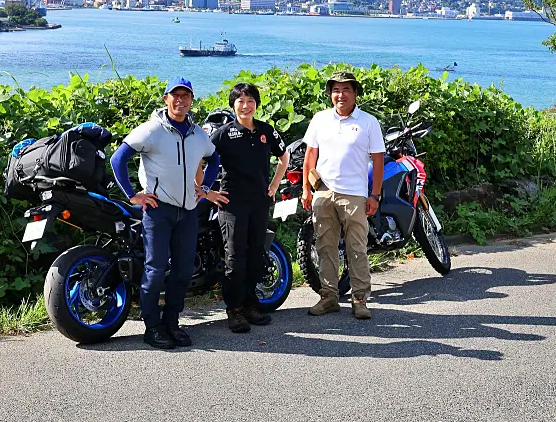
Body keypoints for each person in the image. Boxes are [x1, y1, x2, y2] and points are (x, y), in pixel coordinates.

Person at [110, 77, 227, 349]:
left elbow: (214, 159)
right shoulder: (152, 130)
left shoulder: (198, 134)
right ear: (166, 99)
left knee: (183, 271)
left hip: (188, 211)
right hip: (158, 210)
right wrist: (133, 195)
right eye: (175, 95)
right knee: (155, 269)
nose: (180, 100)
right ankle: (153, 327)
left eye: (185, 96)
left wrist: (205, 188)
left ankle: (172, 322)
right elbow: (118, 159)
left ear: (191, 100)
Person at [301, 70, 385, 320]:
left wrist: (375, 195)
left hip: (355, 195)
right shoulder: (320, 119)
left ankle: (359, 299)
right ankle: (329, 297)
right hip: (324, 191)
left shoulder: (368, 122)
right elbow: (310, 155)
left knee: (356, 247)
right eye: (336, 90)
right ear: (330, 94)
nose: (341, 95)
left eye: (346, 89)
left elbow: (378, 161)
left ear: (355, 93)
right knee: (325, 246)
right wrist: (306, 189)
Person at [209, 83, 289, 333]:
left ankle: (250, 304)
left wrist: (274, 185)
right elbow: (199, 160)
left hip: (259, 202)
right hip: (231, 203)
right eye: (240, 101)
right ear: (233, 105)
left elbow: (284, 156)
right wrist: (206, 192)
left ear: (257, 104)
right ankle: (234, 310)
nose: (246, 106)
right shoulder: (223, 134)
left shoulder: (266, 130)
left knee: (256, 254)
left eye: (250, 100)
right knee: (235, 258)